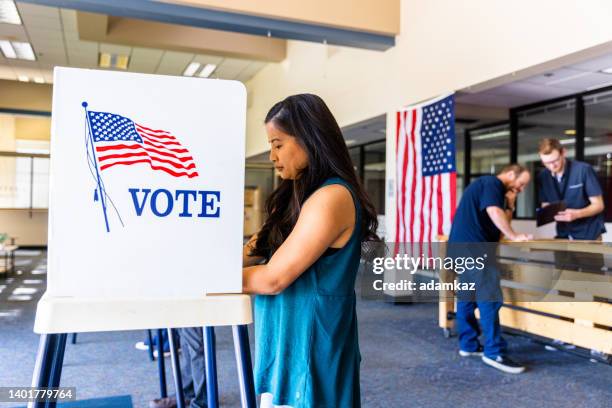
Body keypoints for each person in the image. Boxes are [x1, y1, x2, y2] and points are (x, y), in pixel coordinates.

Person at [241, 94, 379, 408]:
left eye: (278, 144)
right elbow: (250, 253)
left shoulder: (332, 197)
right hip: (286, 336)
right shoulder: (292, 199)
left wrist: (201, 279)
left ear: (309, 138)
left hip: (312, 343)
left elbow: (272, 279)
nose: (272, 156)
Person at [448, 164, 532, 374]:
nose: (520, 189)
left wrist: (510, 206)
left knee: (467, 298)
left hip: (461, 248)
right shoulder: (492, 183)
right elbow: (494, 212)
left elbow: (498, 226)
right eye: (521, 184)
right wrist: (515, 235)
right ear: (511, 174)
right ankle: (494, 353)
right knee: (490, 299)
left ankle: (468, 345)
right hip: (476, 249)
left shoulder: (490, 189)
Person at [537, 138, 605, 240]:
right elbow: (545, 204)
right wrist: (547, 212)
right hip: (562, 235)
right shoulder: (543, 176)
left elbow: (599, 205)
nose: (552, 166)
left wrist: (577, 214)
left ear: (563, 153)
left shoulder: (583, 170)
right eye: (546, 163)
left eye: (555, 160)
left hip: (588, 234)